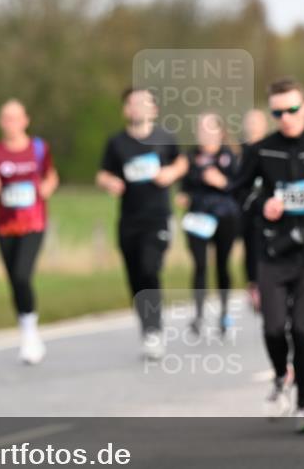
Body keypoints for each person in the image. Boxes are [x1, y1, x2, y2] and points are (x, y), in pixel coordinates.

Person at [212, 77, 304, 433]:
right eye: (278, 112)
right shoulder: (261, 151)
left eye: (291, 110)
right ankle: (279, 376)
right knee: (274, 329)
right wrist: (263, 205)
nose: (285, 117)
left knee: (302, 332)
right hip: (272, 250)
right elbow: (238, 192)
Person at [97, 88, 188, 360]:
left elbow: (182, 161)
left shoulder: (164, 138)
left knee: (150, 268)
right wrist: (109, 182)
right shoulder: (117, 143)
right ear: (126, 110)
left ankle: (155, 331)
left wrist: (171, 172)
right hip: (129, 219)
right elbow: (102, 173)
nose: (138, 108)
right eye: (132, 103)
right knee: (136, 276)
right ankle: (147, 327)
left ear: (154, 110)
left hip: (158, 217)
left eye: (144, 103)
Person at [0, 99, 59, 364]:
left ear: (25, 120)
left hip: (33, 223)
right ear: (1, 122)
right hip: (5, 226)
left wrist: (47, 188)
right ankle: (27, 329)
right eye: (6, 118)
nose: (11, 123)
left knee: (23, 275)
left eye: (15, 118)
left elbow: (52, 176)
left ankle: (31, 334)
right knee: (14, 280)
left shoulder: (39, 148)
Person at [177, 112, 241, 335]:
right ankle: (198, 315)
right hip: (198, 219)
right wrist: (183, 196)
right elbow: (183, 186)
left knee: (222, 265)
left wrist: (222, 182)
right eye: (201, 129)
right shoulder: (189, 157)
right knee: (200, 266)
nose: (205, 133)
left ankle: (224, 313)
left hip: (225, 217)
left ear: (220, 131)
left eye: (209, 128)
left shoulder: (230, 156)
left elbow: (239, 187)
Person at [239, 108, 269, 311]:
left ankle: (270, 285)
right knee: (250, 247)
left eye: (257, 122)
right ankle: (254, 285)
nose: (253, 127)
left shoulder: (272, 148)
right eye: (250, 122)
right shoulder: (239, 151)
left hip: (270, 209)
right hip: (246, 209)